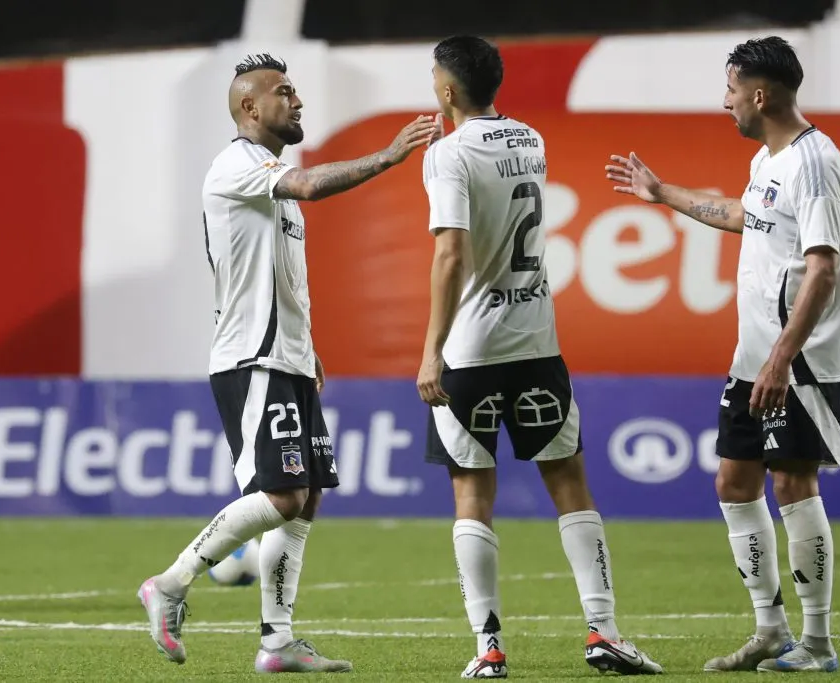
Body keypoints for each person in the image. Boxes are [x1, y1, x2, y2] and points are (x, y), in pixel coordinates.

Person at [137, 53, 437, 674]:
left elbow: (277, 277)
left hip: (289, 358)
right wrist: (387, 156)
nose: (297, 102)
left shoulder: (268, 179)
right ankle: (171, 582)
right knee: (281, 494)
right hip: (250, 359)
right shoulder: (237, 166)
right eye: (285, 92)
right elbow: (308, 184)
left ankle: (278, 642)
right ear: (251, 107)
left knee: (307, 499)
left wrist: (307, 348)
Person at [416, 35, 663, 679]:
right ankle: (604, 632)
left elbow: (449, 254)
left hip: (470, 348)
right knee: (570, 484)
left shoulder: (446, 154)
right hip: (535, 341)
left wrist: (429, 352)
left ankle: (488, 648)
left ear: (447, 89)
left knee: (473, 493)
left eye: (435, 77)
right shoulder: (530, 140)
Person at [605, 36, 840, 673]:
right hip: (754, 358)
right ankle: (770, 630)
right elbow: (743, 217)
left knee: (794, 485)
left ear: (760, 95)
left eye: (732, 90)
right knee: (734, 481)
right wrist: (664, 195)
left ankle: (818, 643)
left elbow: (823, 270)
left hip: (796, 363)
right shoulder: (769, 163)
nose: (726, 102)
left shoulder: (815, 162)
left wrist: (780, 359)